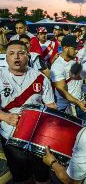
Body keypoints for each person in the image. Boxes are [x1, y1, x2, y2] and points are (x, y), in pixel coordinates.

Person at [0, 40, 56, 183]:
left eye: (21, 53)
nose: (16, 57)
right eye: (11, 54)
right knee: (22, 178)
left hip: (38, 138)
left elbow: (51, 106)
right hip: (10, 137)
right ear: (6, 57)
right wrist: (5, 116)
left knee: (43, 177)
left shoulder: (40, 78)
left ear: (28, 56)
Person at [50, 35, 86, 117]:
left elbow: (80, 79)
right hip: (67, 110)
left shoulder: (75, 60)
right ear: (65, 48)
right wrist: (78, 102)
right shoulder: (58, 66)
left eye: (77, 48)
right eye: (74, 48)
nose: (77, 51)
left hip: (80, 105)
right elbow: (62, 90)